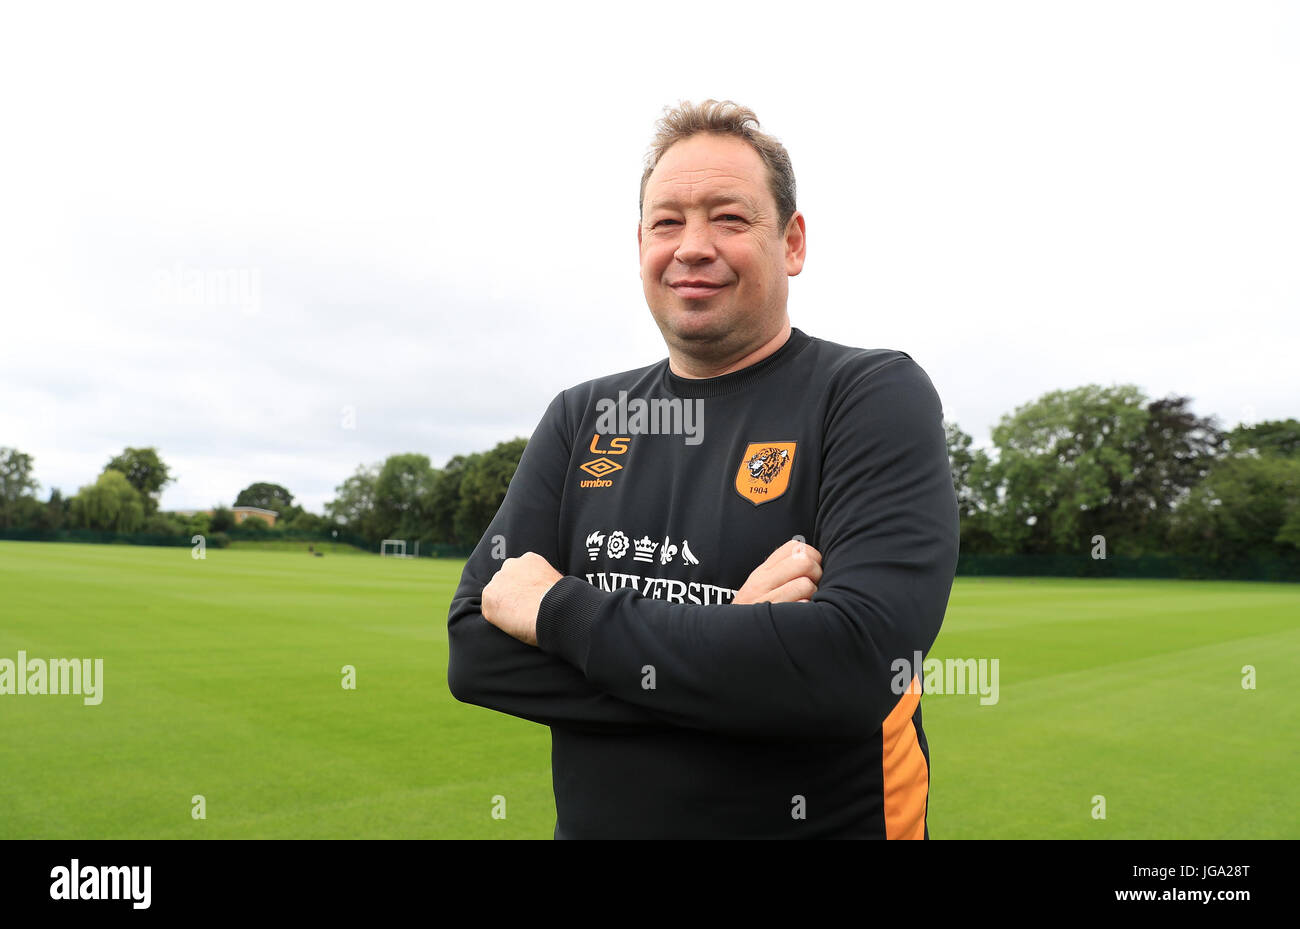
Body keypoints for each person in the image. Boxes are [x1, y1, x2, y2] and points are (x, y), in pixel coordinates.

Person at [446, 99, 959, 839]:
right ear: (642, 242)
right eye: (667, 221)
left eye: (728, 217)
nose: (692, 246)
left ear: (792, 242)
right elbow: (476, 653)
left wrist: (561, 612)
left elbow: (853, 667)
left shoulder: (869, 394)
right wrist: (738, 647)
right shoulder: (584, 415)